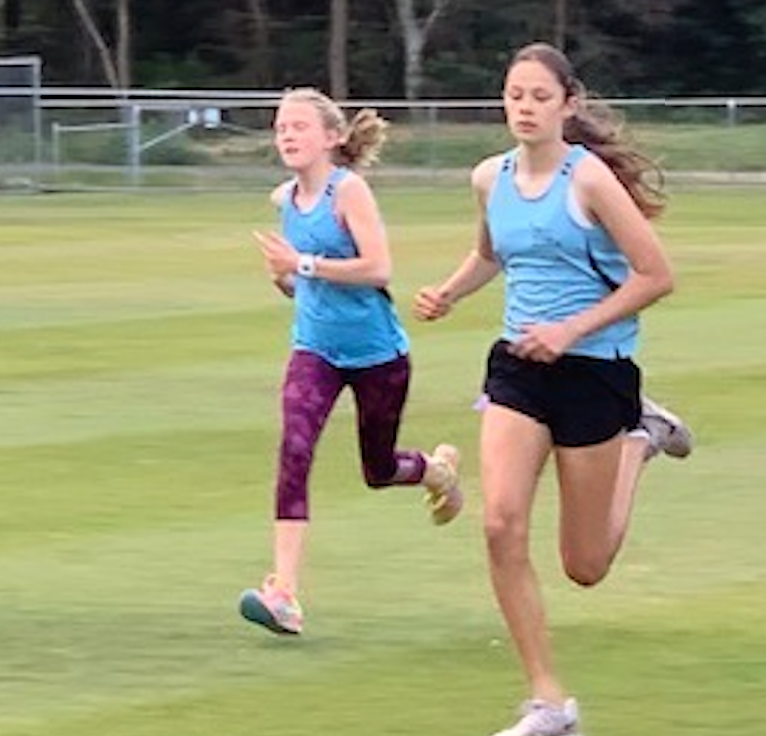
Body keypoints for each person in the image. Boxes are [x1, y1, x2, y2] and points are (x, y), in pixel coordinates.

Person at [413, 43, 693, 736]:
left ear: (568, 104)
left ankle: (641, 438)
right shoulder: (489, 178)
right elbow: (489, 254)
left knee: (585, 565)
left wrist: (570, 331)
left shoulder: (590, 180)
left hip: (595, 372)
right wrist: (449, 292)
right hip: (517, 369)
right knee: (501, 523)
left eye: (540, 96)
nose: (525, 108)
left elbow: (655, 276)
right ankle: (548, 701)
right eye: (515, 96)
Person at [240, 87, 464, 637]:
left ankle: (437, 471)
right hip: (314, 350)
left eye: (298, 126)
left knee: (379, 470)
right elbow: (301, 289)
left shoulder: (350, 191)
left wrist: (302, 265)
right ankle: (284, 594)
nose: (287, 135)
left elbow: (378, 269)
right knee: (293, 451)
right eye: (280, 128)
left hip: (378, 356)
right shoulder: (284, 199)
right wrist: (284, 278)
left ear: (332, 138)